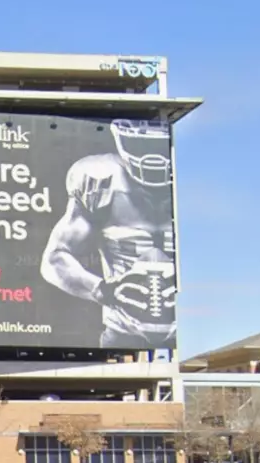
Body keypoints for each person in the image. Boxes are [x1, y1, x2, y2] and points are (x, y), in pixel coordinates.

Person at [39, 117, 177, 348]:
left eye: (158, 147)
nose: (153, 158)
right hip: (121, 329)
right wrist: (103, 289)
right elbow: (54, 258)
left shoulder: (196, 182)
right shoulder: (99, 179)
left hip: (187, 329)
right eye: (145, 146)